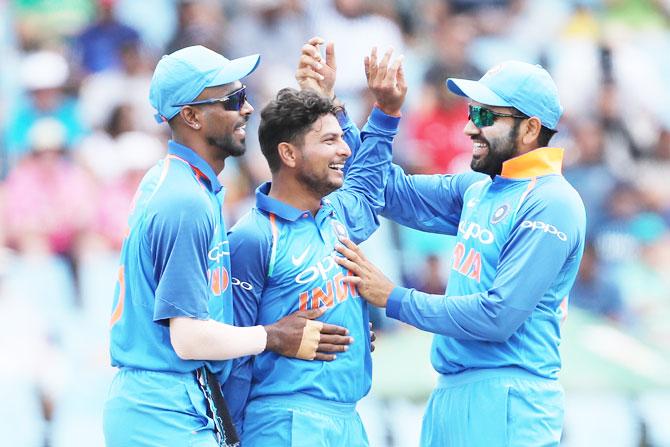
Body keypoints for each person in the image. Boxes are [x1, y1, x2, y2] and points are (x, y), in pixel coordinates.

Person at [103, 45, 352, 447]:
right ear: (192, 116)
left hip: (179, 398)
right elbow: (188, 338)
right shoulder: (183, 200)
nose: (248, 109)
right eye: (232, 100)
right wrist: (274, 335)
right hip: (161, 407)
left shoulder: (189, 185)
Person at [329, 61, 586, 446]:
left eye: (484, 115)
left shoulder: (552, 202)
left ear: (531, 128)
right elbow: (382, 189)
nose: (469, 127)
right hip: (451, 393)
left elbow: (498, 316)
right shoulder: (479, 189)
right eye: (471, 113)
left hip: (510, 401)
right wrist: (340, 112)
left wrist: (393, 298)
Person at [222, 41, 406, 446]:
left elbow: (369, 182)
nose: (344, 150)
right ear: (288, 153)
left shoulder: (335, 215)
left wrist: (386, 113)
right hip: (283, 423)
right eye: (329, 141)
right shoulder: (254, 237)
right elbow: (231, 353)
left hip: (347, 420)